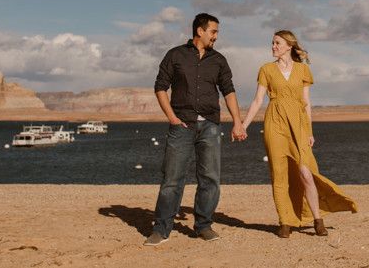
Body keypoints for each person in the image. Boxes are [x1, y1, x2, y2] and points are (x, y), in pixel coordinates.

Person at [242, 30, 357, 238]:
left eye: (277, 43)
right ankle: (285, 222)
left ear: (289, 46)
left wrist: (309, 131)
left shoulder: (303, 70)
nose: (273, 47)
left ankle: (317, 220)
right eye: (272, 43)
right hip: (275, 124)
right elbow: (257, 101)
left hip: (299, 125)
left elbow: (306, 103)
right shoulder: (266, 69)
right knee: (279, 176)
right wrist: (243, 126)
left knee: (306, 173)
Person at [144, 13, 246, 246]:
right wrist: (171, 118)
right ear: (200, 31)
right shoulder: (175, 55)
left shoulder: (219, 60)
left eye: (217, 33)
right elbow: (160, 87)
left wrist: (237, 122)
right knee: (172, 179)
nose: (216, 37)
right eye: (214, 32)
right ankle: (161, 229)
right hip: (182, 124)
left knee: (210, 178)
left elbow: (228, 91)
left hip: (210, 124)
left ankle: (203, 226)